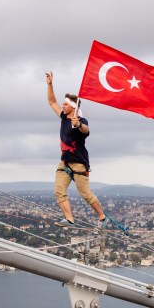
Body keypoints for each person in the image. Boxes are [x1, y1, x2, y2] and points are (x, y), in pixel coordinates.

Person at [45, 71, 108, 228]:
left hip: (79, 163)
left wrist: (78, 124)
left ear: (72, 107)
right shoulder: (63, 117)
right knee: (59, 190)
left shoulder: (80, 120)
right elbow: (52, 102)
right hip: (65, 162)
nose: (63, 106)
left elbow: (85, 130)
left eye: (65, 104)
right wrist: (50, 84)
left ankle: (102, 217)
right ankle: (69, 219)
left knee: (85, 194)